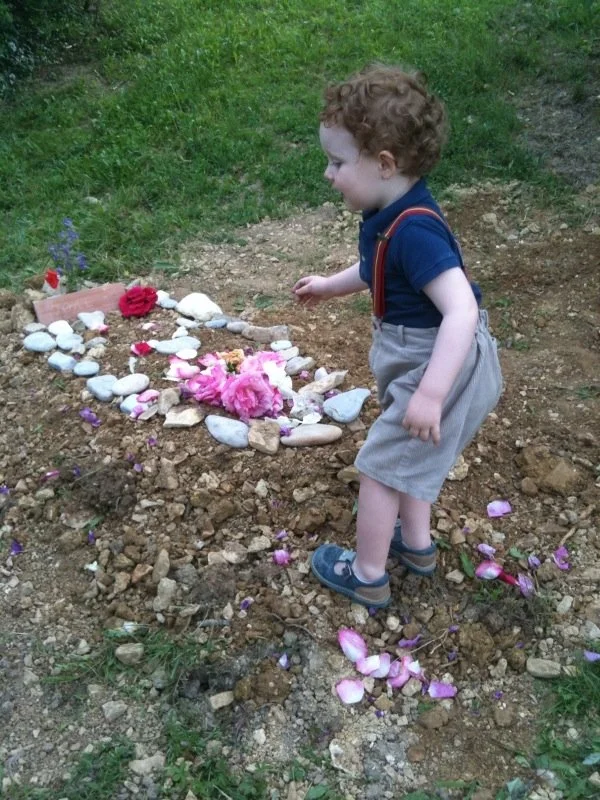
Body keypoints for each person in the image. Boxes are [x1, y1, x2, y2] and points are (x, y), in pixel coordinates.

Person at [292, 65, 503, 609]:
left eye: (338, 162)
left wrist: (431, 393)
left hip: (438, 362)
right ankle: (415, 545)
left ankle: (366, 574)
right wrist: (327, 286)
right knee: (408, 458)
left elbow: (459, 311)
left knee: (380, 467)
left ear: (384, 164)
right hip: (416, 354)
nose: (328, 173)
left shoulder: (415, 229)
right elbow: (373, 269)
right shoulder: (386, 214)